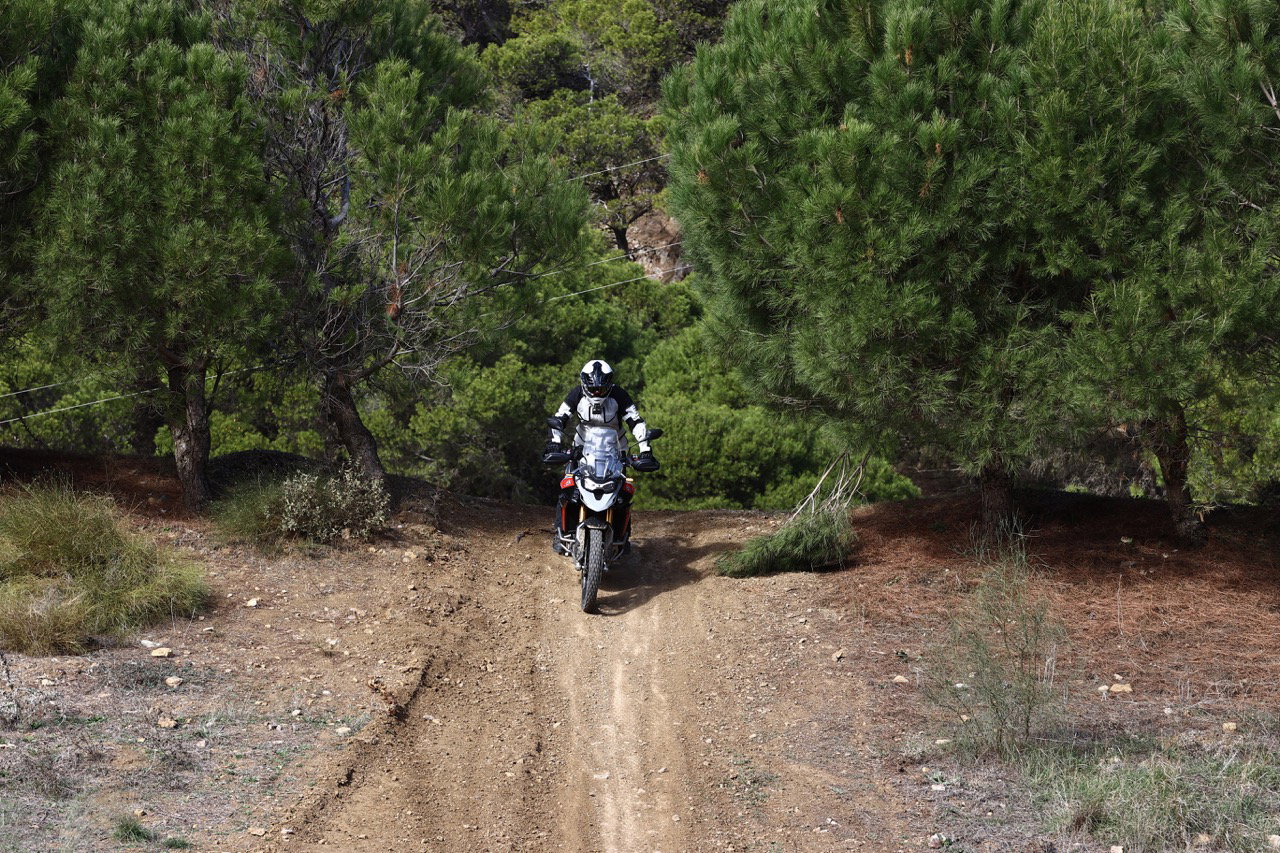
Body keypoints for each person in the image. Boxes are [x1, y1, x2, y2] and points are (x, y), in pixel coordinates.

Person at [543, 359, 659, 555]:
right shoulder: (576, 393)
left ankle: (623, 535)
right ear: (584, 384)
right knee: (567, 487)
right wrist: (554, 442)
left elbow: (636, 422)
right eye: (593, 389)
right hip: (582, 448)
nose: (597, 393)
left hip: (615, 449)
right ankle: (560, 531)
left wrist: (645, 448)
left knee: (623, 492)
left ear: (609, 384)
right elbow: (559, 417)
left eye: (601, 389)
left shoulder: (619, 395)